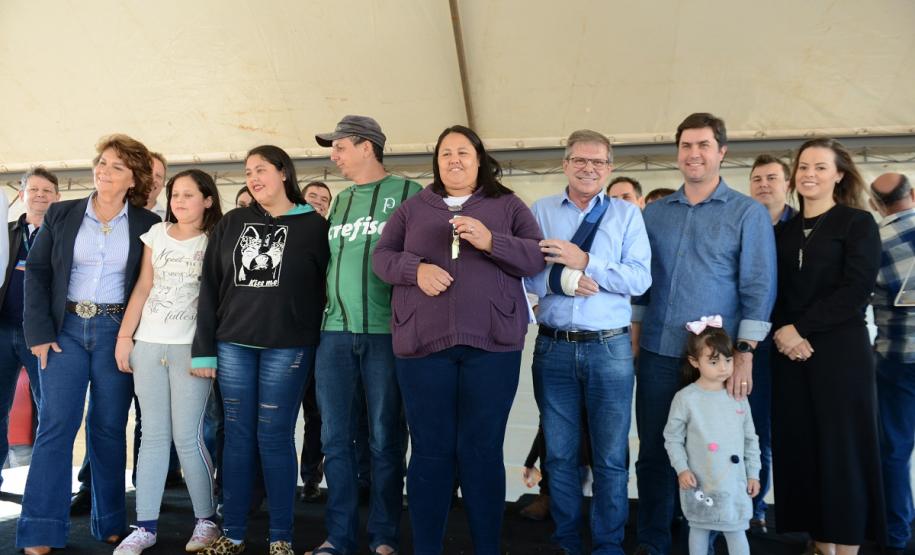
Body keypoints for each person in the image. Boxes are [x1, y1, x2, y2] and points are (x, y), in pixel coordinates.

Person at [373, 124, 545, 555]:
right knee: (430, 451)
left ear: (480, 159)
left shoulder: (506, 204)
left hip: (492, 347)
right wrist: (416, 271)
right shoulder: (414, 208)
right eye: (446, 153)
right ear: (436, 161)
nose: (454, 160)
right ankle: (427, 547)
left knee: (482, 450)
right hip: (423, 348)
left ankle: (487, 546)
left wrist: (492, 242)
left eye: (463, 152)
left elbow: (534, 255)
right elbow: (382, 257)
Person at [632, 113, 776, 555]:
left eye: (704, 145)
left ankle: (719, 543)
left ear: (721, 152)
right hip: (658, 352)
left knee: (717, 455)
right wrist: (635, 337)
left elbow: (758, 286)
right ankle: (654, 543)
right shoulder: (654, 214)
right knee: (657, 452)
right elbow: (642, 282)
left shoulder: (747, 213)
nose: (694, 154)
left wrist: (745, 355)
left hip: (717, 364)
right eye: (687, 146)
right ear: (678, 152)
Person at [16, 134, 161, 555]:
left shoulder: (148, 225)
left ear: (132, 177)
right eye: (101, 162)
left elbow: (147, 287)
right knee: (56, 426)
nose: (103, 170)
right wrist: (39, 335)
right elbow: (38, 275)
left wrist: (130, 337)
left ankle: (112, 521)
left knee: (109, 428)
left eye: (116, 166)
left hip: (117, 332)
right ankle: (40, 530)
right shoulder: (61, 214)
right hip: (64, 335)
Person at [192, 145, 329, 555]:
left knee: (274, 437)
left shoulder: (315, 226)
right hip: (232, 344)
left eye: (262, 169)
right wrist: (204, 349)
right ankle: (232, 532)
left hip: (287, 349)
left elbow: (325, 290)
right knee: (236, 438)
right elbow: (210, 286)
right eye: (248, 171)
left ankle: (281, 536)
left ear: (284, 173)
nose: (253, 177)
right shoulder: (232, 222)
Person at [525, 129, 651, 555]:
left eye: (598, 162)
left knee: (611, 457)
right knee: (559, 456)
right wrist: (568, 280)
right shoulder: (540, 212)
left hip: (610, 348)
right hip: (553, 346)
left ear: (609, 168)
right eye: (580, 160)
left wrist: (587, 262)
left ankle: (608, 545)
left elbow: (639, 278)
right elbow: (524, 274)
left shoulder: (626, 215)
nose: (589, 168)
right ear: (565, 164)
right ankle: (566, 542)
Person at [308, 115, 421, 555]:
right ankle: (339, 536)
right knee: (334, 439)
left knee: (384, 438)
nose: (333, 157)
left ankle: (384, 536)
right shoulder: (339, 202)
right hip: (333, 334)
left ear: (367, 146)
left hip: (385, 335)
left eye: (339, 147)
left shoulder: (411, 193)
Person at [770, 137, 886, 555]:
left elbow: (856, 289)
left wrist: (798, 328)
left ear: (839, 174)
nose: (809, 175)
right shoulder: (782, 231)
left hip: (840, 354)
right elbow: (772, 291)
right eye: (803, 166)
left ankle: (847, 547)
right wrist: (785, 331)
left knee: (843, 452)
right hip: (789, 356)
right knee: (802, 449)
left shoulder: (857, 223)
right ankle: (820, 544)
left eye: (820, 167)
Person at [111, 169, 224, 554]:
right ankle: (145, 526)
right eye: (175, 194)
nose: (179, 201)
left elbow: (218, 302)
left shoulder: (215, 241)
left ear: (208, 200)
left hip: (190, 350)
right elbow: (143, 287)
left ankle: (206, 521)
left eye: (189, 195)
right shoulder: (156, 233)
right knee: (152, 438)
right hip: (147, 345)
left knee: (187, 438)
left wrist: (209, 351)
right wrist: (126, 337)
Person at [663, 316, 761, 555]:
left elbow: (751, 439)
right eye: (714, 361)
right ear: (694, 362)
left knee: (736, 530)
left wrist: (753, 473)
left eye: (728, 360)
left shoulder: (737, 396)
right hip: (700, 480)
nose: (724, 367)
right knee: (698, 528)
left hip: (734, 483)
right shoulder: (685, 399)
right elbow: (673, 438)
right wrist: (682, 469)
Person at [0, 167, 60, 489]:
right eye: (33, 190)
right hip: (2, 330)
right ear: (21, 195)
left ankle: (44, 485)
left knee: (49, 412)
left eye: (46, 191)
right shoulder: (5, 231)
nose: (39, 195)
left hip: (40, 337)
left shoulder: (62, 237)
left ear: (57, 198)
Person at [745, 154, 796, 533]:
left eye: (772, 178)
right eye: (757, 178)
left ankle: (801, 514)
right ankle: (755, 506)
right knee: (755, 428)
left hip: (797, 344)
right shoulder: (745, 224)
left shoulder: (805, 228)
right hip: (754, 345)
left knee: (794, 431)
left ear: (788, 183)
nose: (764, 184)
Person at [869, 172, 915, 555]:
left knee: (895, 451)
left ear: (873, 204)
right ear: (913, 194)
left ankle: (897, 537)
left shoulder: (875, 243)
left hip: (896, 360)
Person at [146, 152, 168, 220]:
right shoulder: (118, 211)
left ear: (164, 183)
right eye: (148, 173)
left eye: (158, 176)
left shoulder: (167, 219)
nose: (152, 180)